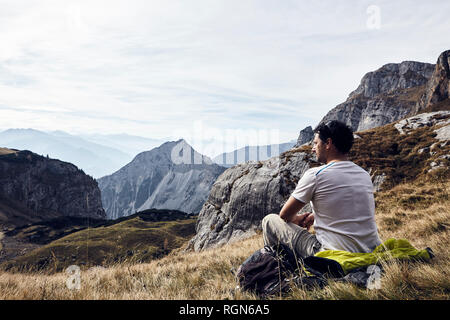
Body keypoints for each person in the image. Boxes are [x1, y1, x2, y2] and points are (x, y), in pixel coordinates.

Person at [262, 120, 381, 259]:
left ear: (328, 143)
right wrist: (316, 216)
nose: (313, 149)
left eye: (315, 143)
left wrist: (298, 219)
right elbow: (349, 206)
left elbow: (285, 215)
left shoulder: (316, 175)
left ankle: (280, 270)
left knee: (270, 220)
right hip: (369, 251)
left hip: (331, 255)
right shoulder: (364, 174)